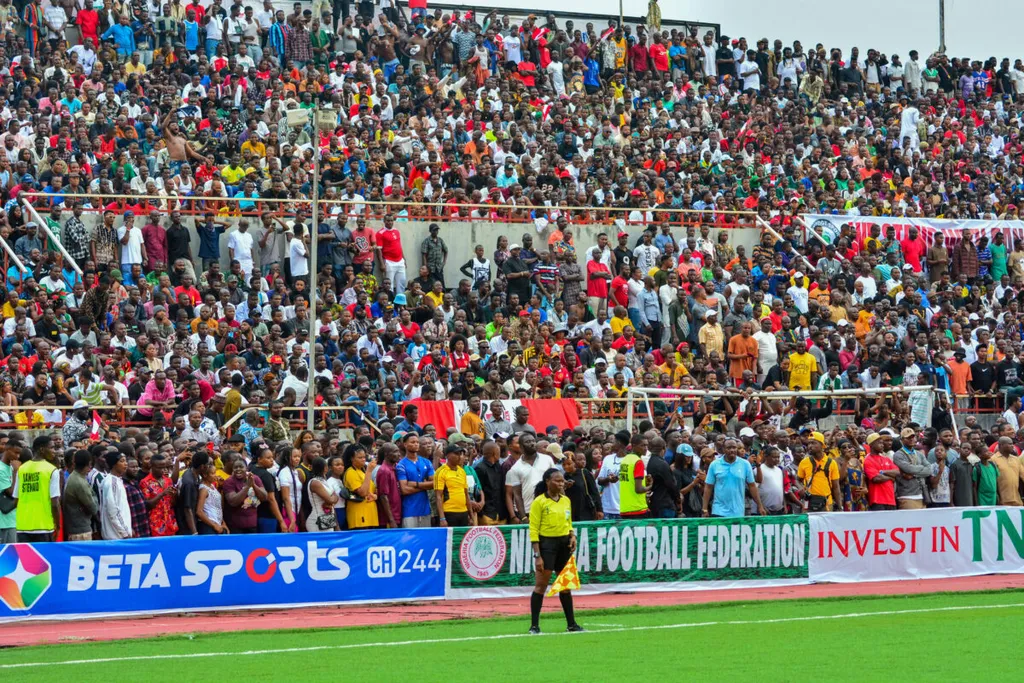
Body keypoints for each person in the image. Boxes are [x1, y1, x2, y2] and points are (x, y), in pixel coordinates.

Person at [528, 468, 583, 635]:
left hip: (564, 544)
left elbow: (568, 521)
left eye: (562, 481)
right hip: (547, 545)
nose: (561, 483)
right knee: (541, 585)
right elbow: (533, 529)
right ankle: (534, 625)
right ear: (547, 482)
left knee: (565, 586)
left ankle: (571, 624)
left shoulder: (566, 500)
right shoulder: (539, 502)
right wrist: (537, 555)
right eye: (557, 481)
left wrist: (572, 535)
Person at [702, 438, 766, 518]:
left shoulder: (745, 464)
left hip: (738, 511)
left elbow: (752, 486)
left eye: (734, 447)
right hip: (719, 511)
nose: (732, 450)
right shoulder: (714, 465)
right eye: (729, 448)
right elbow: (708, 487)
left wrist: (760, 506)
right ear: (723, 449)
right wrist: (704, 509)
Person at [14, 436, 61, 542]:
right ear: (42, 449)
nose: (54, 451)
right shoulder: (52, 470)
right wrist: (57, 525)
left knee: (25, 559)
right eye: (52, 448)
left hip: (22, 526)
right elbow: (55, 502)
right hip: (43, 526)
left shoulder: (22, 469)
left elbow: (16, 499)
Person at [342, 445, 378, 529]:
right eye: (360, 457)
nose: (363, 459)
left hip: (369, 514)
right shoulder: (351, 472)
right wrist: (369, 471)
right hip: (359, 516)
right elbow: (362, 493)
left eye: (364, 457)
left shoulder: (362, 471)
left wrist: (375, 496)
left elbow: (372, 490)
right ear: (352, 459)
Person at [435, 443, 470, 527]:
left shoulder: (462, 471)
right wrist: (442, 518)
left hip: (463, 512)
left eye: (461, 454)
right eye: (456, 454)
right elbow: (438, 496)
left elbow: (466, 494)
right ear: (447, 456)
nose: (460, 457)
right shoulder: (441, 471)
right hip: (449, 512)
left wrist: (470, 515)